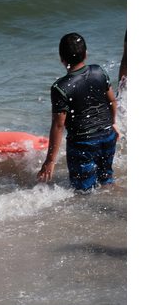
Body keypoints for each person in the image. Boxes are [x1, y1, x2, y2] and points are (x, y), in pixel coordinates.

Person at [37, 32, 119, 190]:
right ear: (86, 54)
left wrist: (50, 161)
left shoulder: (60, 88)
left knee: (83, 192)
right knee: (106, 180)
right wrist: (113, 123)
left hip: (83, 144)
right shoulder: (99, 71)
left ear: (61, 58)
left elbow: (58, 126)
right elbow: (112, 100)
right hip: (108, 137)